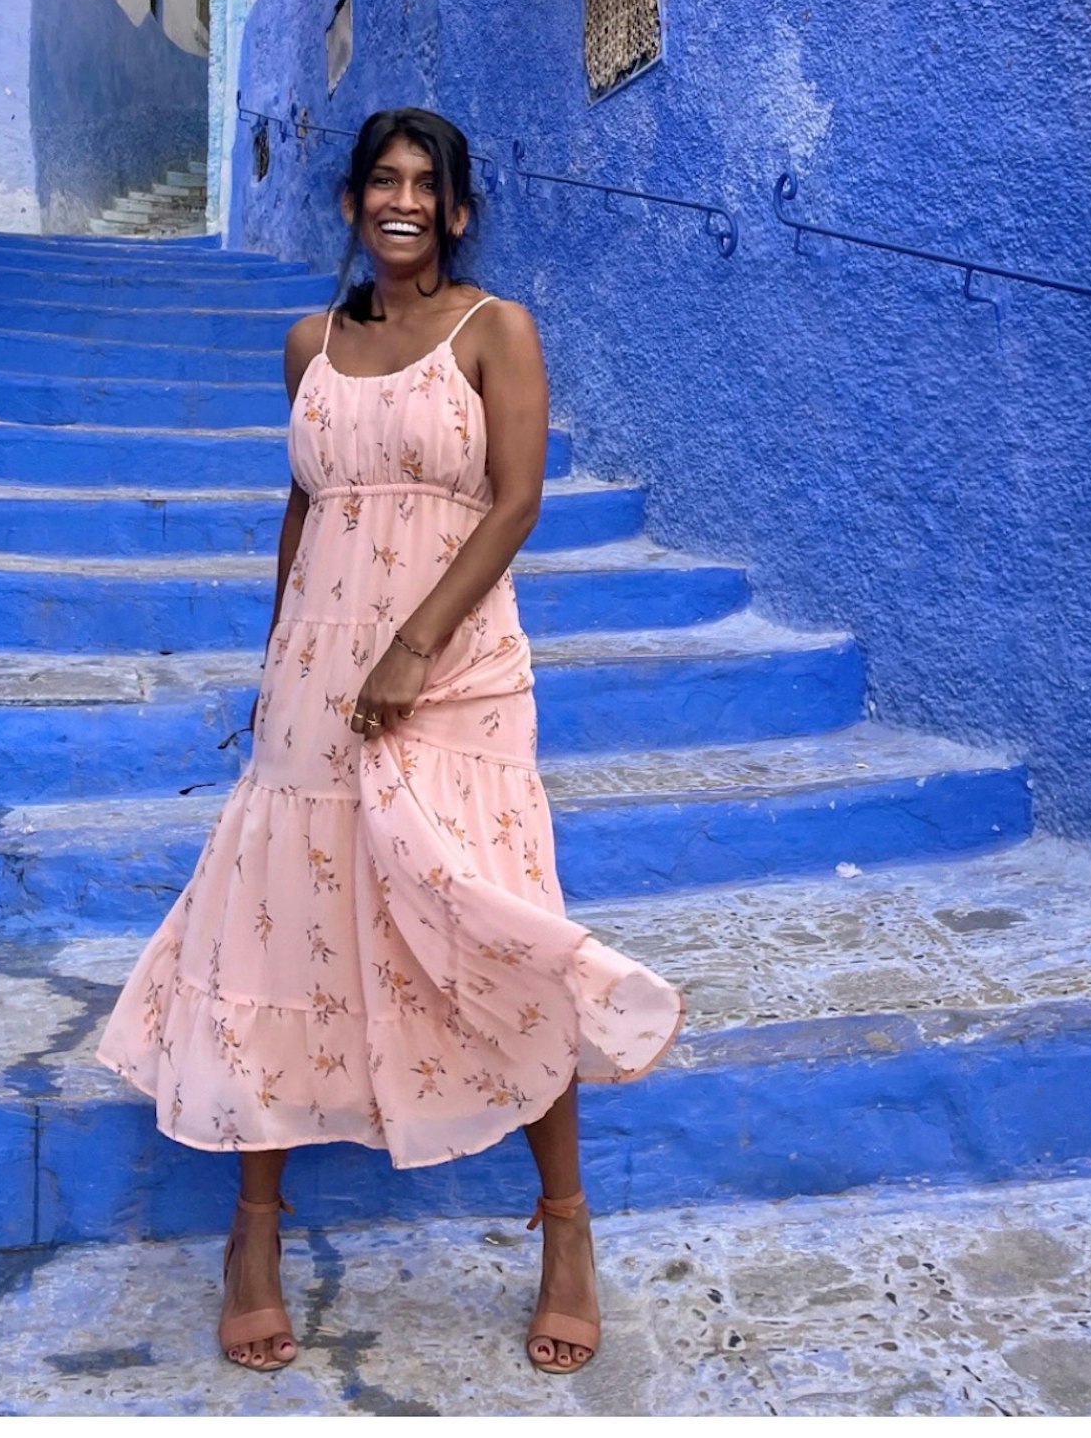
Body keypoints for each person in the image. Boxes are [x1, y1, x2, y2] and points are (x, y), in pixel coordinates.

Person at [95, 107, 683, 1375]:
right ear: (354, 203)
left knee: (489, 916)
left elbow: (515, 499)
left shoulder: (495, 332)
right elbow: (303, 510)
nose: (402, 199)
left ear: (457, 210)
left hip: (456, 668)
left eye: (426, 183)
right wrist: (275, 670)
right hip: (314, 681)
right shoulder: (309, 341)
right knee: (281, 922)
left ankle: (565, 1227)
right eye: (382, 180)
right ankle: (255, 1229)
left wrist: (412, 647)